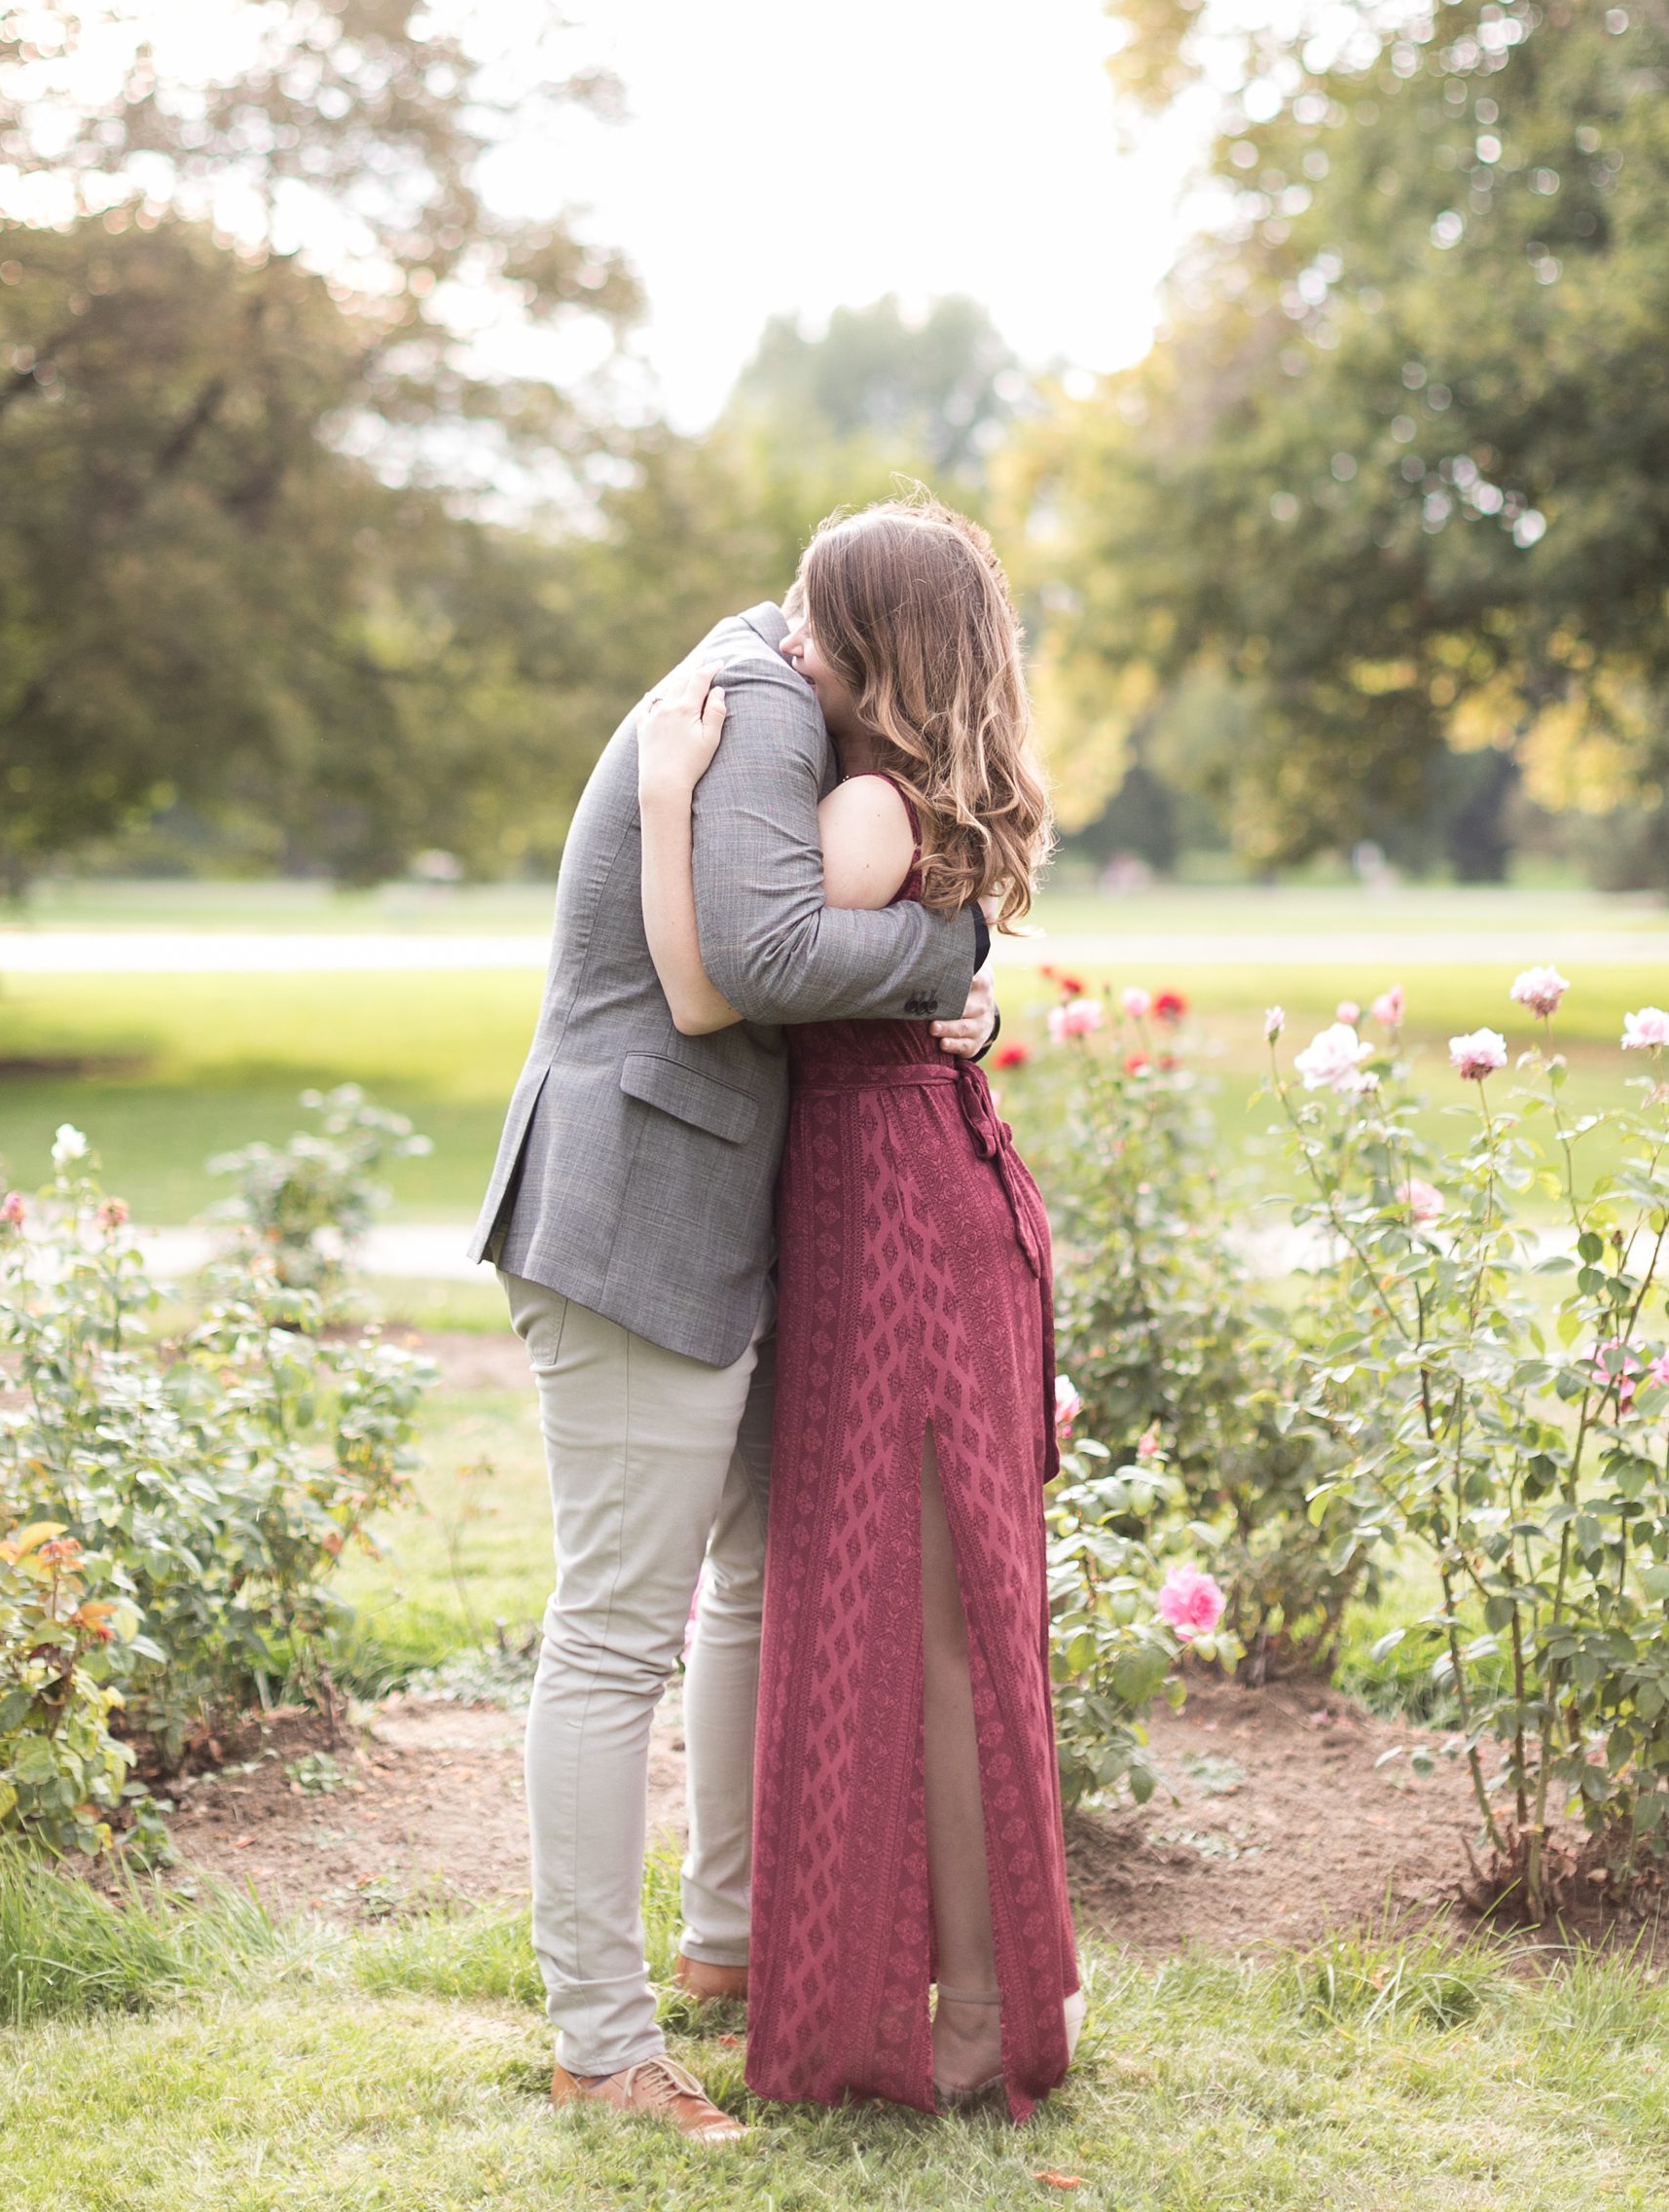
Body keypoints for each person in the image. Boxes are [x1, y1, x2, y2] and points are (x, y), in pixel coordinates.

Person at [470, 583, 997, 2144]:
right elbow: (756, 964)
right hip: (635, 1206)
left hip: (708, 1211)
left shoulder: (768, 686)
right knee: (617, 1630)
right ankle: (599, 2045)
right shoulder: (762, 704)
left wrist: (950, 978)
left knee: (752, 1584)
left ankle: (728, 1945)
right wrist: (948, 945)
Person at [635, 496, 1080, 2120]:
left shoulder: (871, 811)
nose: (792, 646)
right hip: (914, 1179)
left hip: (887, 1203)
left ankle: (967, 2018)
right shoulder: (923, 800)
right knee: (941, 1610)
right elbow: (912, 965)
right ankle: (980, 1992)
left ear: (878, 647)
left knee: (933, 1620)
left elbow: (715, 984)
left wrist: (668, 806)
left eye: (818, 623)